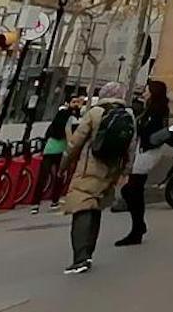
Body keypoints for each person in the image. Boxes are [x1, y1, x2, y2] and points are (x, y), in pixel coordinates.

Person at [61, 83, 136, 275]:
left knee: (82, 208)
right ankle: (88, 254)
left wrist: (64, 164)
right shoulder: (128, 114)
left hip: (89, 168)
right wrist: (125, 172)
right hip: (111, 168)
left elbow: (76, 142)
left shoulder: (94, 113)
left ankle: (80, 257)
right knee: (95, 209)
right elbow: (131, 147)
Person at [116, 80, 169, 247]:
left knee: (132, 189)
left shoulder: (156, 111)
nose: (144, 92)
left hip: (147, 152)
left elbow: (148, 130)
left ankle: (137, 228)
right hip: (143, 151)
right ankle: (138, 226)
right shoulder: (150, 109)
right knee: (134, 190)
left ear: (153, 92)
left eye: (146, 90)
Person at [34, 95, 84, 212]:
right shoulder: (69, 116)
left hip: (50, 149)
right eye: (74, 102)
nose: (76, 104)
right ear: (68, 103)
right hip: (60, 149)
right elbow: (68, 132)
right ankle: (54, 201)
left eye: (77, 102)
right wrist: (72, 146)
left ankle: (36, 204)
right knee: (59, 175)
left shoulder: (60, 115)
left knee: (44, 176)